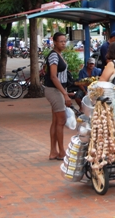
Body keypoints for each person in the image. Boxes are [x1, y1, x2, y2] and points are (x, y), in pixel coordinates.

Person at [43, 32, 72, 161]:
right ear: (54, 42)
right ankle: (61, 152)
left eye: (64, 41)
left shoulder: (58, 55)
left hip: (57, 90)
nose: (63, 43)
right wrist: (65, 94)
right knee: (61, 121)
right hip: (54, 90)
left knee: (56, 121)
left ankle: (53, 151)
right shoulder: (54, 56)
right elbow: (53, 76)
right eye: (61, 41)